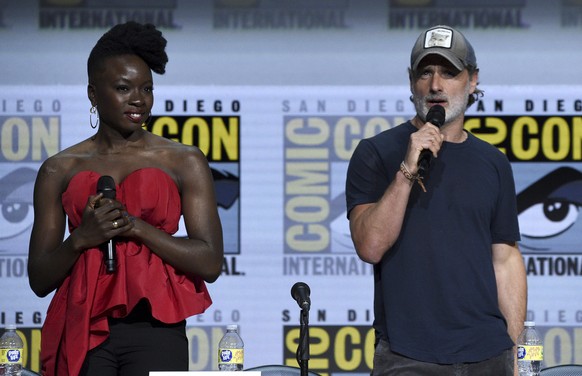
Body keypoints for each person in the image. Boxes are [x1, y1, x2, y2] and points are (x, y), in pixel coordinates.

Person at [27, 21, 224, 376]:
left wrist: (134, 228)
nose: (139, 99)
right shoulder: (58, 169)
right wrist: (82, 239)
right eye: (123, 88)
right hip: (82, 326)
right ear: (93, 94)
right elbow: (39, 279)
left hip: (158, 330)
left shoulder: (184, 160)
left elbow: (209, 262)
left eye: (146, 88)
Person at [345, 25, 527, 375]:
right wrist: (407, 169)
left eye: (449, 72)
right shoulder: (377, 153)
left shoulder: (493, 163)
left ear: (473, 80)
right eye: (425, 72)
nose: (436, 85)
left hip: (489, 355)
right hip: (407, 355)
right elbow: (370, 246)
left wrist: (515, 348)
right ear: (411, 81)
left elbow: (504, 259)